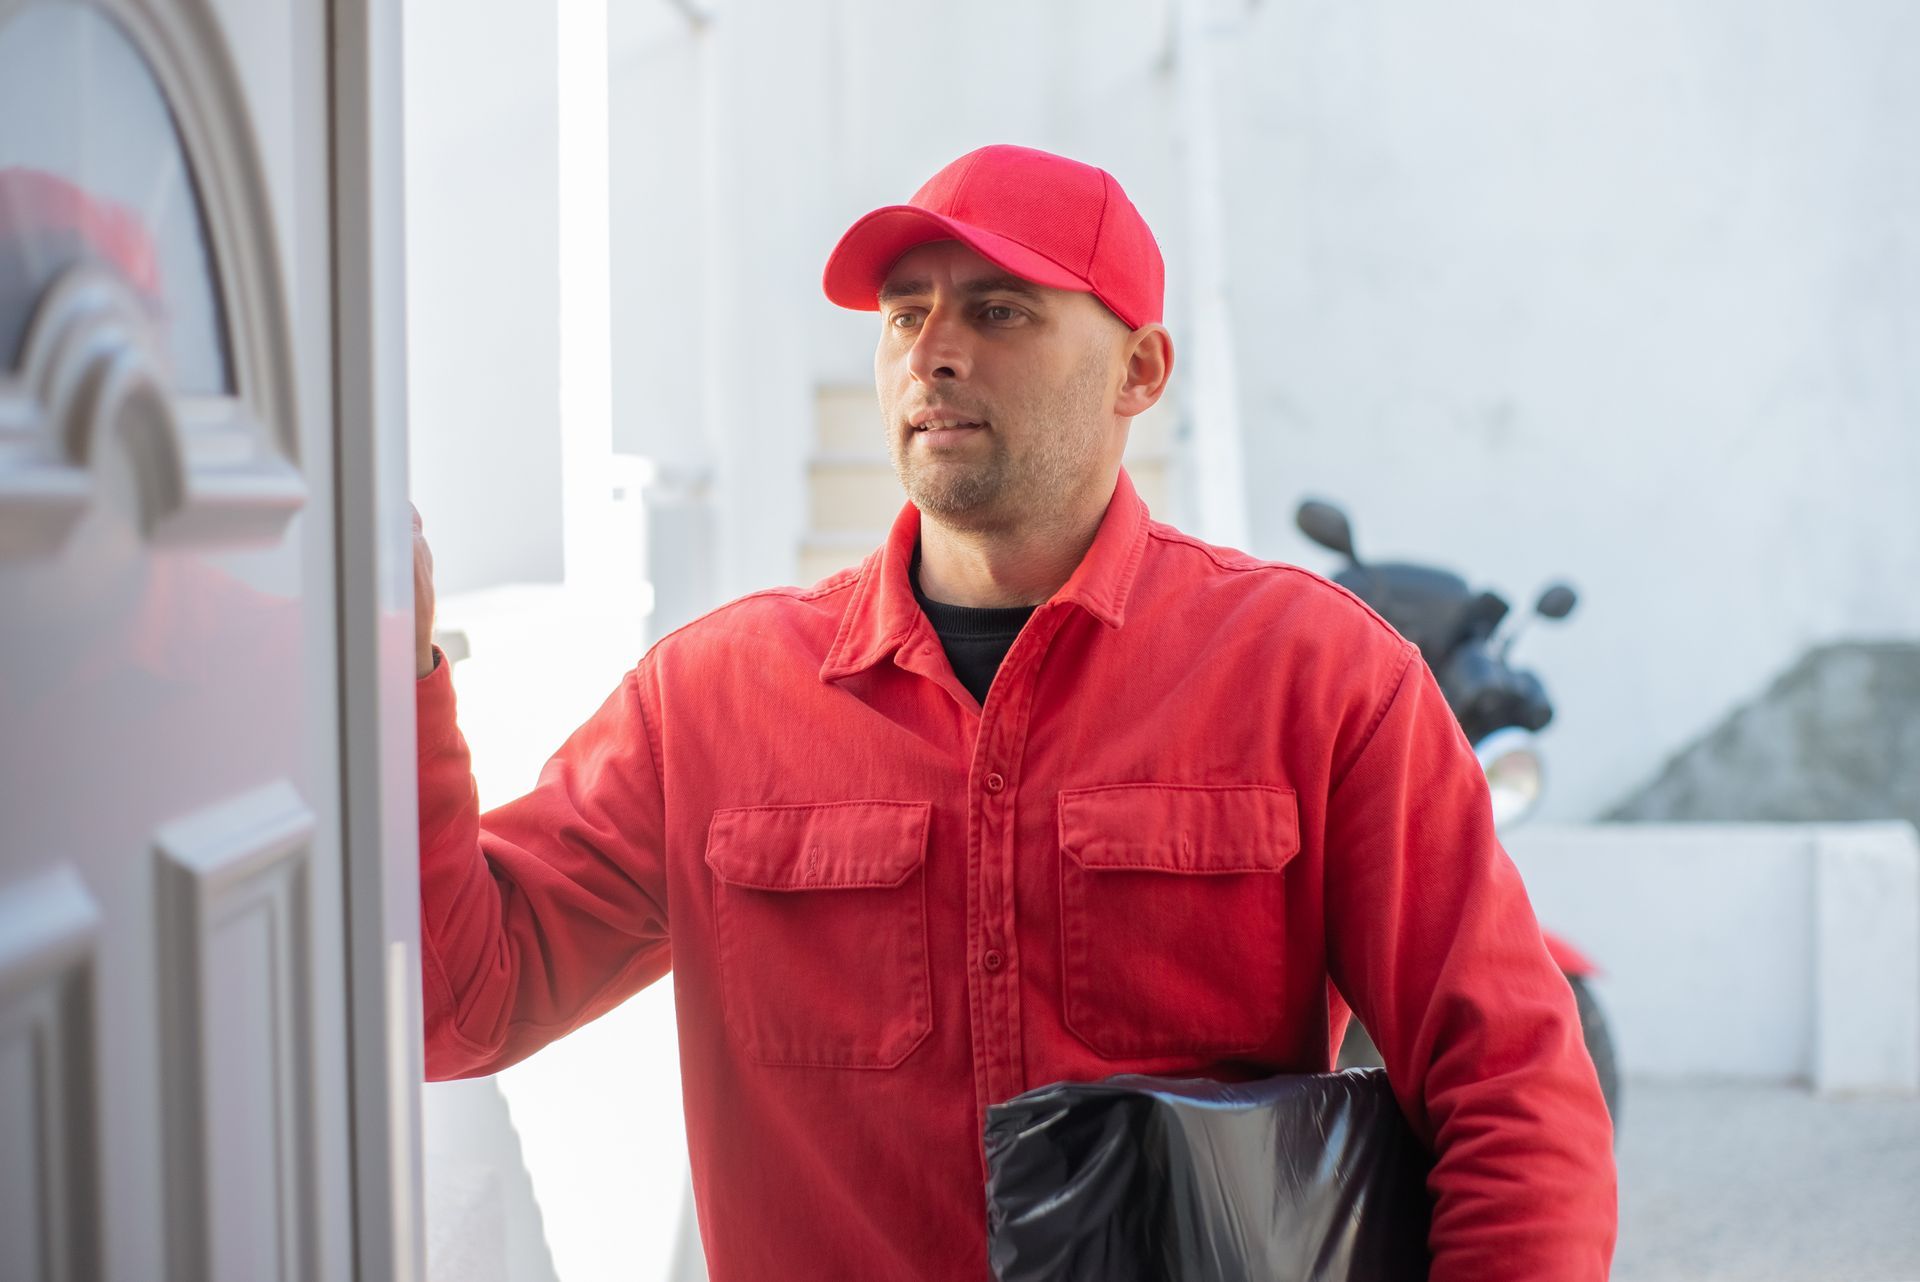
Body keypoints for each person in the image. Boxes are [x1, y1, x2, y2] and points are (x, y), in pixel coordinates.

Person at [413, 144, 1616, 1280]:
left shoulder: (1317, 676)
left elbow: (1513, 1085)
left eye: (999, 310)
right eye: (904, 313)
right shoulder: (708, 702)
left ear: (1139, 371)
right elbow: (455, 1004)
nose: (933, 350)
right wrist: (393, 665)